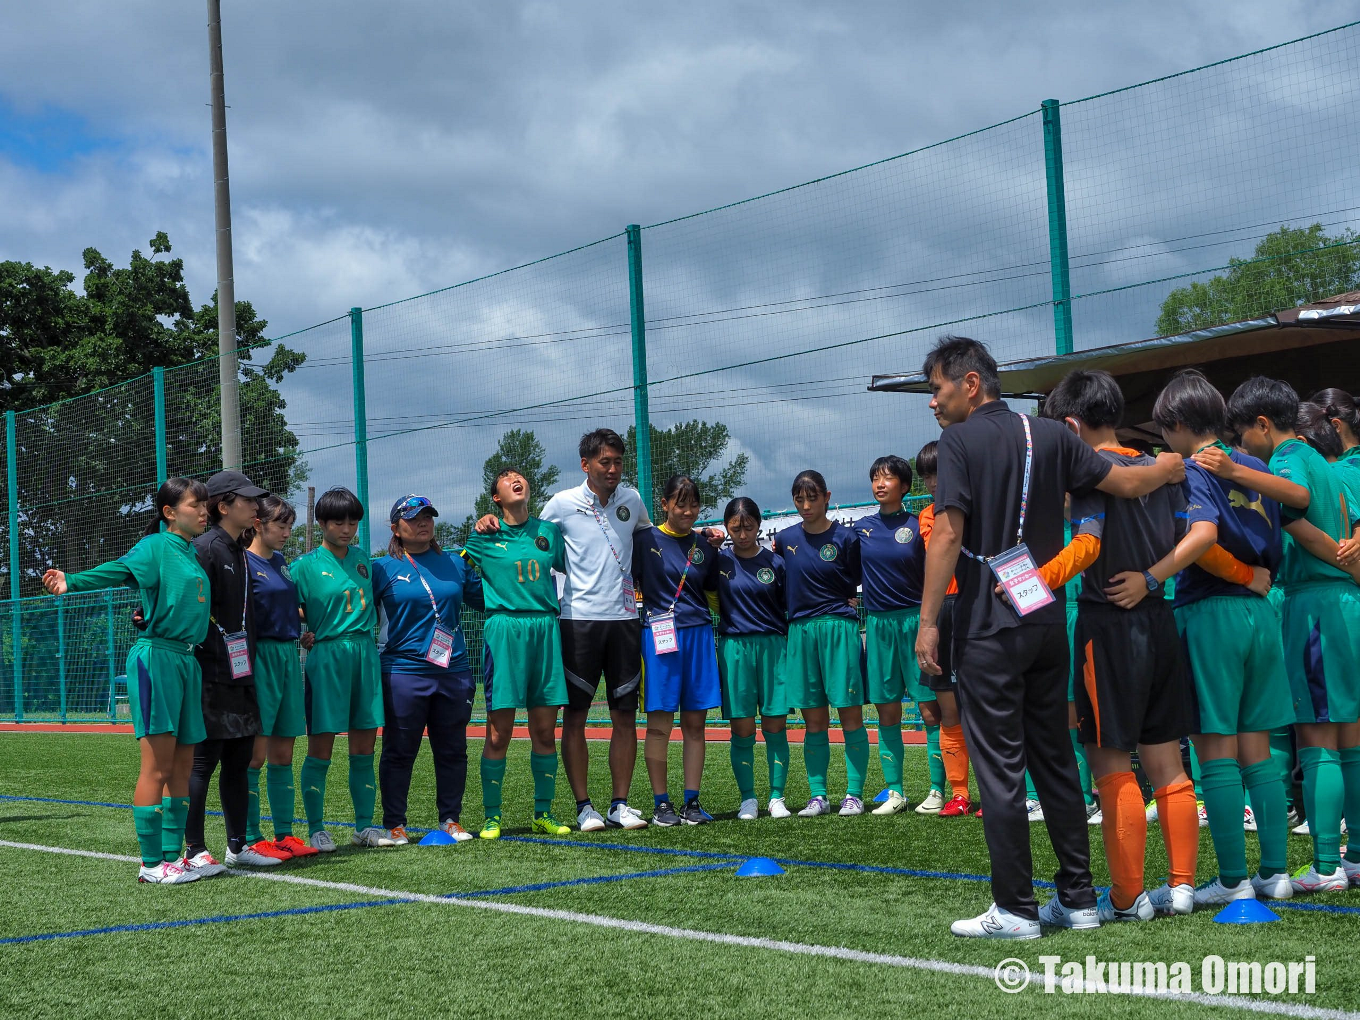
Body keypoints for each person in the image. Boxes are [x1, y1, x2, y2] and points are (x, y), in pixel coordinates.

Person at [913, 335, 1185, 939]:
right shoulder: (1054, 434)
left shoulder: (958, 441)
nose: (933, 402)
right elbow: (1126, 483)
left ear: (971, 383)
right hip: (1045, 619)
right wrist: (1167, 464)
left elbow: (948, 534)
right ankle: (1080, 900)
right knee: (1055, 760)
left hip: (987, 621)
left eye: (937, 388)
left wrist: (929, 621)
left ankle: (1014, 908)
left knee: (1000, 768)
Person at [474, 429, 722, 831]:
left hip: (626, 621)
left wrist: (703, 536)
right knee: (576, 717)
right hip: (577, 622)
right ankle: (583, 806)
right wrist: (491, 520)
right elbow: (525, 530)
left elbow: (657, 535)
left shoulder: (632, 500)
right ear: (586, 464)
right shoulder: (561, 504)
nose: (612, 469)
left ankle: (618, 804)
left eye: (618, 462)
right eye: (604, 462)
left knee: (625, 717)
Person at [1041, 370, 1198, 922]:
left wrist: (1038, 582)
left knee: (1111, 762)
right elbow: (1193, 539)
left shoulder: (1092, 473)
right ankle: (1181, 888)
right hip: (1160, 619)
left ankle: (1128, 897)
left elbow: (1087, 545)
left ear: (1070, 425)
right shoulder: (1162, 468)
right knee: (1167, 761)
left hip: (1109, 625)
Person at [1198, 376, 1360, 895]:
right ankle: (1354, 857)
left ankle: (1328, 866)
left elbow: (1295, 502)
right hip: (1344, 605)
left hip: (1315, 604)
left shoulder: (1289, 458)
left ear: (1263, 426)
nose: (1244, 450)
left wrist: (1235, 469)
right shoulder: (1330, 463)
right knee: (1351, 739)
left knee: (1318, 739)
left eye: (1245, 439)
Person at [1148, 370, 1294, 910]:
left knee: (1216, 750)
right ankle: (1274, 873)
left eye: (1165, 429)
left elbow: (1202, 542)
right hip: (1263, 612)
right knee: (1258, 749)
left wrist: (1153, 574)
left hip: (1211, 609)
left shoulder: (1191, 468)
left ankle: (1232, 877)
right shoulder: (1254, 464)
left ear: (1179, 425)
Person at [42, 478, 212, 884]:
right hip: (156, 659)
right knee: (157, 765)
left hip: (188, 661)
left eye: (206, 504)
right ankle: (152, 865)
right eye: (196, 505)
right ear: (170, 513)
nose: (205, 511)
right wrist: (72, 581)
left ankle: (174, 857)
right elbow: (118, 570)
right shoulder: (156, 546)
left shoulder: (191, 553)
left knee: (183, 765)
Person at [461, 471, 572, 838]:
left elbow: (575, 570)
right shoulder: (482, 536)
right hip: (504, 631)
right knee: (498, 733)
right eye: (506, 479)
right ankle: (493, 816)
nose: (515, 479)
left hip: (544, 628)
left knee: (544, 731)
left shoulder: (549, 533)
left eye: (518, 476)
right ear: (496, 498)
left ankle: (544, 812)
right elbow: (462, 581)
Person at [371, 494, 484, 844]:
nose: (423, 523)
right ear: (395, 528)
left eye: (428, 517)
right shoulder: (381, 568)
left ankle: (451, 820)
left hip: (454, 671)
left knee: (452, 748)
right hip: (403, 671)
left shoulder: (455, 562)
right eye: (414, 518)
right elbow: (351, 609)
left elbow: (489, 600)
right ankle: (395, 824)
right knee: (399, 748)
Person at [182, 470, 279, 872]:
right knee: (203, 762)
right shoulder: (204, 548)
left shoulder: (240, 550)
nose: (256, 506)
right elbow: (185, 603)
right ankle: (194, 850)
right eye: (248, 500)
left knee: (239, 761)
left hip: (241, 671)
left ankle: (238, 846)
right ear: (224, 506)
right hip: (209, 673)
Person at [291, 486, 388, 851]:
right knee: (321, 749)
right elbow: (287, 607)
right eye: (338, 521)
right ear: (321, 524)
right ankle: (316, 828)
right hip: (327, 657)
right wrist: (304, 630)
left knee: (364, 748)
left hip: (365, 655)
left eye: (353, 521)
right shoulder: (304, 566)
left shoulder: (365, 560)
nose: (347, 528)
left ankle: (364, 826)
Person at [774, 469, 867, 818]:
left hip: (839, 629)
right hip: (801, 631)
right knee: (814, 720)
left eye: (813, 497)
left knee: (850, 715)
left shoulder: (846, 538)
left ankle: (854, 795)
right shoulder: (783, 539)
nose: (806, 504)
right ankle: (818, 796)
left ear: (827, 497)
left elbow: (856, 579)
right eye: (799, 498)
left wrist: (848, 600)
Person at [242, 495, 318, 859]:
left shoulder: (283, 563)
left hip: (289, 655)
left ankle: (284, 834)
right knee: (255, 753)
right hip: (260, 659)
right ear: (257, 524)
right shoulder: (242, 562)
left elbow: (286, 607)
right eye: (281, 525)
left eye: (290, 526)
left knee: (284, 752)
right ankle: (250, 836)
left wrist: (299, 629)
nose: (288, 532)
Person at [856, 456, 928, 815]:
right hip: (879, 625)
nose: (880, 483)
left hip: (915, 621)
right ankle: (895, 792)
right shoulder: (861, 529)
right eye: (875, 478)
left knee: (930, 710)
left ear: (904, 485)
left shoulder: (918, 526)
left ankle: (937, 790)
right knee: (886, 711)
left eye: (888, 477)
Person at [715, 497, 792, 820]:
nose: (743, 534)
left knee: (775, 724)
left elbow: (789, 605)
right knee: (742, 727)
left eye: (748, 527)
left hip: (773, 649)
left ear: (759, 525)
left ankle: (776, 797)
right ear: (727, 528)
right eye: (736, 527)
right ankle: (748, 798)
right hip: (735, 649)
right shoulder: (718, 563)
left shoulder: (776, 563)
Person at [914, 442, 969, 816]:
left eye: (940, 473)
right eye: (928, 475)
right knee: (949, 708)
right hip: (946, 609)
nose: (934, 482)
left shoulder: (979, 509)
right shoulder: (927, 516)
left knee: (989, 708)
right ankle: (960, 794)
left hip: (981, 607)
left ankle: (1018, 794)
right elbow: (942, 548)